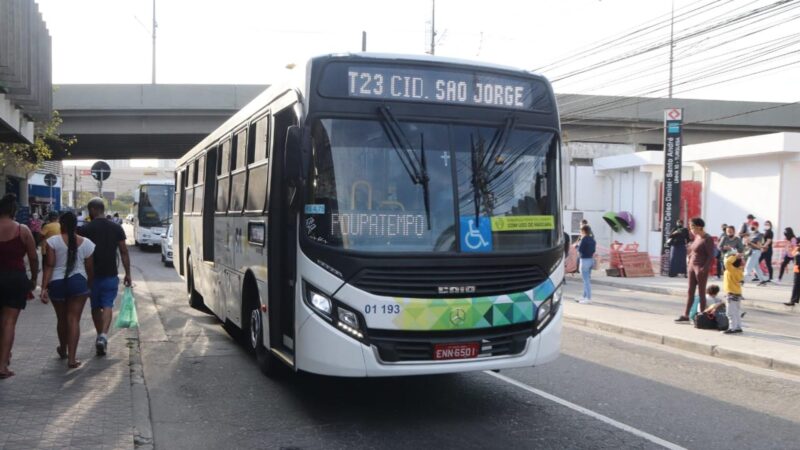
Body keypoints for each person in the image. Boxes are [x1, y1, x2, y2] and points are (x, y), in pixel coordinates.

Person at [41, 212, 96, 369]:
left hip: (57, 283)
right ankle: (72, 359)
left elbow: (49, 266)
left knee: (61, 319)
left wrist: (44, 287)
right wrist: (90, 286)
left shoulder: (53, 241)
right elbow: (90, 269)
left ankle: (63, 349)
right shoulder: (87, 244)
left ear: (62, 225)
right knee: (73, 320)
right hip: (79, 283)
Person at [79, 198, 132, 356]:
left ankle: (99, 336)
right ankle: (103, 336)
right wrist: (128, 273)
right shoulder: (116, 228)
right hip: (111, 274)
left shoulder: (86, 229)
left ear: (94, 210)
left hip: (91, 276)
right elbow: (124, 252)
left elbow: (80, 253)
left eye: (90, 211)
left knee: (95, 306)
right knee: (108, 304)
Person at [0, 194, 39, 379]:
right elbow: (33, 257)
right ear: (14, 210)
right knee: (9, 323)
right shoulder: (22, 230)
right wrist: (33, 280)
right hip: (15, 279)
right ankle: (3, 365)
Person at [675, 218, 715, 323]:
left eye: (692, 227)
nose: (691, 229)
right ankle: (686, 315)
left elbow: (711, 256)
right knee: (690, 292)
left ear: (699, 227)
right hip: (692, 266)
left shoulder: (708, 238)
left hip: (700, 268)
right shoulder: (697, 237)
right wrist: (689, 260)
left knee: (701, 293)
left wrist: (704, 268)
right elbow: (693, 250)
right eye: (690, 227)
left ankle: (701, 316)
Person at [722, 253, 744, 333]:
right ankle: (738, 327)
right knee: (737, 312)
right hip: (738, 293)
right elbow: (727, 261)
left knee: (730, 313)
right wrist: (736, 257)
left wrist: (734, 256)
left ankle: (732, 328)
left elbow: (727, 262)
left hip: (731, 294)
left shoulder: (731, 270)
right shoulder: (739, 270)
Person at [576, 225, 596, 304]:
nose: (580, 232)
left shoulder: (583, 239)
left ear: (583, 231)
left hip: (584, 261)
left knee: (586, 281)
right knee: (587, 280)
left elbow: (579, 250)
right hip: (591, 260)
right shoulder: (592, 239)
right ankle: (584, 296)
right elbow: (594, 250)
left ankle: (588, 298)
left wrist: (577, 245)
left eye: (580, 231)